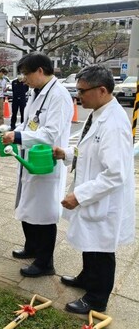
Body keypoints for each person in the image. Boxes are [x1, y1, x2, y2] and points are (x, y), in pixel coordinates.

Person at [52, 65, 135, 314]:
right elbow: (88, 150)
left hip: (103, 200)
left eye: (82, 91)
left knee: (102, 249)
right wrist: (66, 153)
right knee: (91, 243)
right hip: (93, 195)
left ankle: (97, 298)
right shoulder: (98, 112)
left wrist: (79, 195)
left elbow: (115, 173)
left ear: (101, 90)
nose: (78, 97)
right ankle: (87, 278)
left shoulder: (115, 124)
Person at [2, 52, 73, 277]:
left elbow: (51, 133)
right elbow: (29, 123)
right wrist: (16, 132)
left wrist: (19, 138)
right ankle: (31, 247)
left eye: (26, 74)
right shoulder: (36, 92)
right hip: (31, 157)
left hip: (46, 161)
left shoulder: (59, 95)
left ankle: (45, 263)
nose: (24, 79)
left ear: (40, 71)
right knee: (27, 205)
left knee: (43, 212)